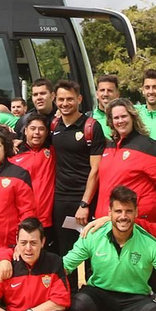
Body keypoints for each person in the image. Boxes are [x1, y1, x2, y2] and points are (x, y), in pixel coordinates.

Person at [93, 100, 156, 223]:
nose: (120, 121)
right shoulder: (109, 146)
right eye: (116, 118)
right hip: (107, 220)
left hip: (138, 221)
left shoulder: (148, 147)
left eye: (124, 116)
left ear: (133, 117)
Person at [50, 81, 105, 238]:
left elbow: (96, 170)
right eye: (61, 99)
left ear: (79, 99)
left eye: (70, 99)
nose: (65, 103)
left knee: (85, 247)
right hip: (60, 198)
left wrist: (84, 204)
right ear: (55, 100)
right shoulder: (54, 126)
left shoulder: (91, 127)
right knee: (65, 249)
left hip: (83, 199)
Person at [8, 115, 56, 234]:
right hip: (21, 219)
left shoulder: (52, 151)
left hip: (47, 219)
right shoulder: (13, 154)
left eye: (41, 129)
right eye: (33, 128)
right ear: (25, 131)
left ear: (46, 132)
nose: (37, 132)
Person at [92, 73, 121, 139]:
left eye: (110, 91)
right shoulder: (89, 119)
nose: (105, 94)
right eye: (102, 90)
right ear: (97, 94)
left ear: (117, 95)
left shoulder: (125, 118)